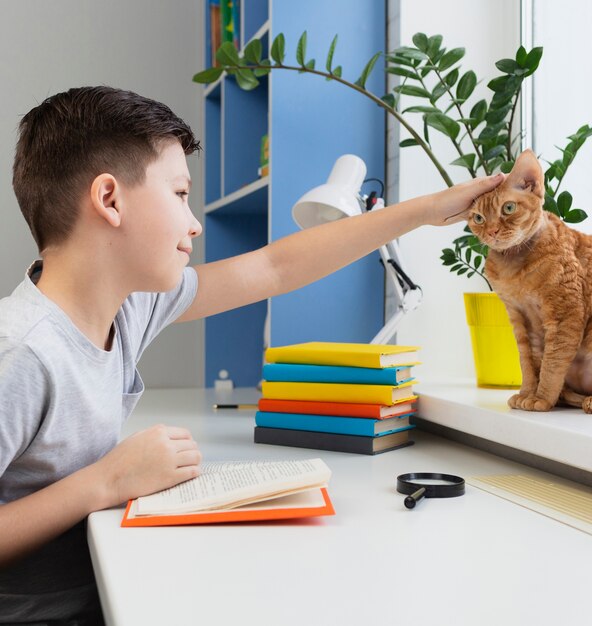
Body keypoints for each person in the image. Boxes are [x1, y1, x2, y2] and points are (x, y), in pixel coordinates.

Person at [0, 85, 504, 624]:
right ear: (110, 200)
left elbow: (275, 268)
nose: (193, 223)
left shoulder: (128, 307)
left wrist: (428, 210)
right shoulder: (22, 352)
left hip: (92, 590)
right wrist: (106, 481)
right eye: (178, 194)